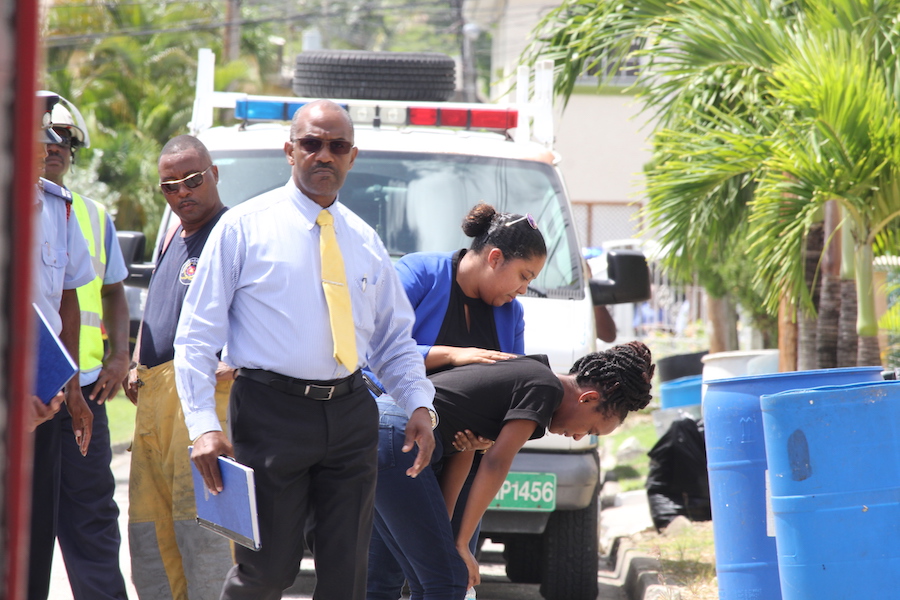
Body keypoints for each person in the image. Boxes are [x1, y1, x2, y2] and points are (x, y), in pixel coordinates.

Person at [174, 99, 436, 600]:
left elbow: (393, 340)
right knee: (268, 571)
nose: (324, 156)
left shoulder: (364, 239)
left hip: (350, 415)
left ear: (352, 157)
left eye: (337, 147)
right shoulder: (243, 227)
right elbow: (197, 336)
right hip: (271, 415)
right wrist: (204, 425)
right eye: (312, 144)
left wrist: (419, 403)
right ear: (289, 150)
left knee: (345, 580)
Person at [369, 342, 655, 599]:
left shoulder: (530, 376)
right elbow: (496, 462)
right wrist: (460, 545)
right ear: (588, 398)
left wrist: (448, 534)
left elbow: (466, 448)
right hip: (400, 434)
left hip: (380, 431)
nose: (579, 437)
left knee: (417, 579)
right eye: (590, 429)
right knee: (448, 579)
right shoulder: (545, 388)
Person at [364, 202, 547, 598]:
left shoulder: (511, 314)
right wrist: (450, 354)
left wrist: (488, 436)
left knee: (450, 578)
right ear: (495, 258)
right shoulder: (418, 273)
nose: (522, 289)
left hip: (461, 461)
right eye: (523, 276)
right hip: (399, 450)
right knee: (380, 577)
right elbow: (369, 349)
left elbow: (509, 384)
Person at [125, 134, 234, 600]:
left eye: (192, 180)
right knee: (150, 539)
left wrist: (239, 361)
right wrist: (134, 360)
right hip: (153, 403)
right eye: (170, 186)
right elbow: (158, 306)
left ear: (214, 174)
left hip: (206, 402)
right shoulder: (173, 233)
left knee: (206, 539)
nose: (182, 193)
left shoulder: (233, 232)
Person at [42, 99, 132, 600]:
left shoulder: (93, 217)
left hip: (88, 393)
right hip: (30, 396)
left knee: (92, 524)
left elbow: (115, 291)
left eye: (66, 141)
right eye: (46, 137)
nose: (56, 148)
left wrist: (121, 355)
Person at [29, 92, 97, 600]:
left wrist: (72, 391)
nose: (45, 146)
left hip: (46, 396)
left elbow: (66, 303)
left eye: (48, 138)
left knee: (35, 537)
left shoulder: (59, 207)